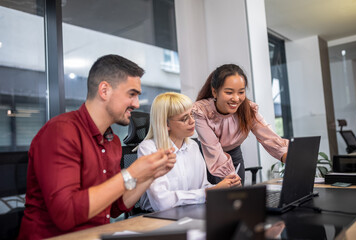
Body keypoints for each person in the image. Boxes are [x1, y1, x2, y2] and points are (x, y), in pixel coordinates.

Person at [17, 55, 176, 240]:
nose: (137, 104)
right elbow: (65, 215)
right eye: (131, 94)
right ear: (104, 90)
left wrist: (149, 176)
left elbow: (116, 207)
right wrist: (131, 174)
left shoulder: (112, 141)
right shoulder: (60, 132)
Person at [138, 92, 241, 212]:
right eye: (184, 118)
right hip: (155, 218)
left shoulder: (193, 146)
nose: (192, 121)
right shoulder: (149, 149)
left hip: (190, 211)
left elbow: (203, 187)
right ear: (166, 124)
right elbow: (161, 202)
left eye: (192, 114)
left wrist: (222, 188)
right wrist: (208, 193)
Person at [193, 64, 289, 184]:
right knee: (218, 197)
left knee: (239, 196)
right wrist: (231, 176)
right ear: (214, 92)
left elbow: (267, 136)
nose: (236, 98)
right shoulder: (201, 110)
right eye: (229, 92)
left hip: (234, 153)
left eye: (241, 92)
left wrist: (287, 156)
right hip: (209, 156)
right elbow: (213, 148)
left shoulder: (248, 108)